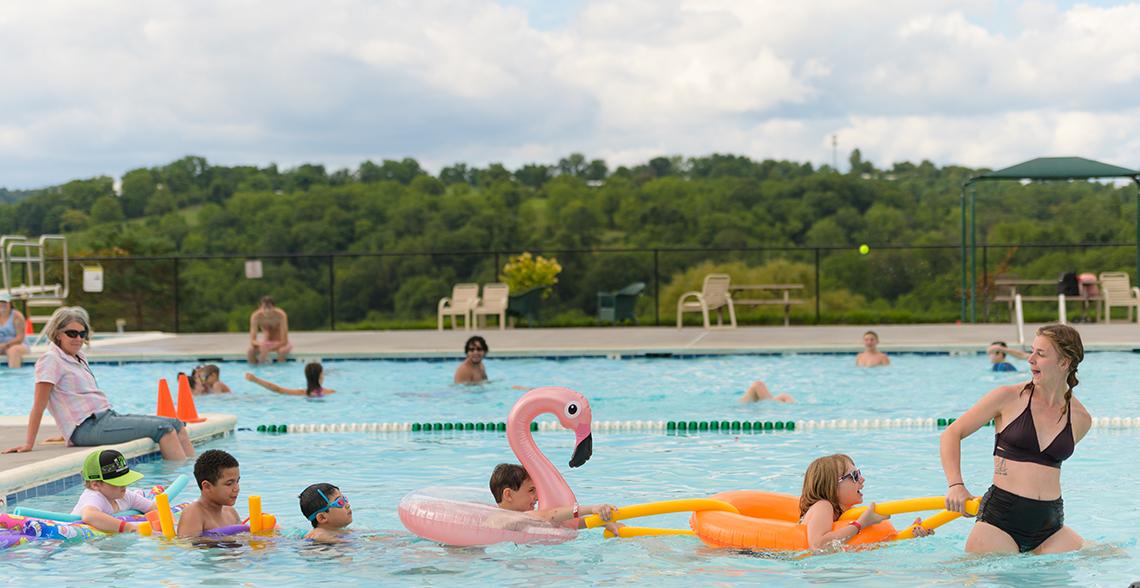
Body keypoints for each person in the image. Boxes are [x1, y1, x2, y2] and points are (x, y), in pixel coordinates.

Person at [941, 324, 1092, 554]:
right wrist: (956, 485)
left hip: (1050, 525)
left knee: (1107, 555)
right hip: (1001, 520)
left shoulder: (1081, 419)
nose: (1030, 359)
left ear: (1064, 363)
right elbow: (952, 433)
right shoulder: (1008, 397)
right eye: (1032, 351)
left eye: (1040, 354)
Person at [2, 307, 194, 460]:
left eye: (82, 334)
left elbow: (73, 398)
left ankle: (195, 483)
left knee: (176, 423)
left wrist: (62, 432)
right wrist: (29, 443)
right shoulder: (51, 360)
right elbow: (39, 404)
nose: (78, 339)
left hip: (106, 417)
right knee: (164, 430)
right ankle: (176, 491)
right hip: (86, 428)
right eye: (71, 333)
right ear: (58, 334)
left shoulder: (78, 356)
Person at [799, 454, 932, 550]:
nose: (862, 479)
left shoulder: (845, 514)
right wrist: (860, 524)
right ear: (832, 485)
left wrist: (910, 533)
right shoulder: (823, 506)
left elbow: (871, 539)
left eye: (859, 473)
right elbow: (818, 545)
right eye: (854, 476)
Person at [489, 463, 624, 535]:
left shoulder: (518, 519)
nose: (537, 497)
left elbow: (563, 523)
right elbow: (550, 515)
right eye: (531, 490)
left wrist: (601, 522)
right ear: (508, 495)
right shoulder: (506, 518)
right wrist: (592, 509)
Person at [70, 449, 154, 533]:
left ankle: (139, 493)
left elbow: (153, 508)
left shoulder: (125, 494)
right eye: (117, 482)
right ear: (95, 485)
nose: (124, 485)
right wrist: (130, 528)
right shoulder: (93, 496)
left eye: (125, 479)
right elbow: (89, 516)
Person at [177, 449, 242, 538]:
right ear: (207, 486)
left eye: (237, 481)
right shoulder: (194, 513)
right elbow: (186, 546)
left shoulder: (231, 512)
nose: (236, 488)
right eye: (229, 484)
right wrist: (225, 539)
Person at [247, 296, 292, 364]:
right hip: (266, 343)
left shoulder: (281, 315)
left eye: (269, 308)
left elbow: (284, 341)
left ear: (274, 307)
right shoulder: (256, 317)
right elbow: (253, 340)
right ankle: (255, 371)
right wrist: (261, 345)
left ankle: (281, 372)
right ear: (260, 308)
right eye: (264, 308)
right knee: (250, 351)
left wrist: (269, 348)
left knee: (282, 352)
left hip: (280, 343)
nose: (267, 311)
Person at [244, 362, 334, 397]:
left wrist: (256, 380)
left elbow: (277, 389)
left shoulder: (302, 393)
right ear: (320, 376)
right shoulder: (330, 392)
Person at [0, 292, 29, 368]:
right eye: (0, 302)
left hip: (18, 345)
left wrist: (5, 345)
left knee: (13, 351)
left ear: (10, 303)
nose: (2, 305)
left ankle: (14, 376)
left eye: (4, 302)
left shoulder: (17, 316)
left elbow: (20, 338)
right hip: (1, 346)